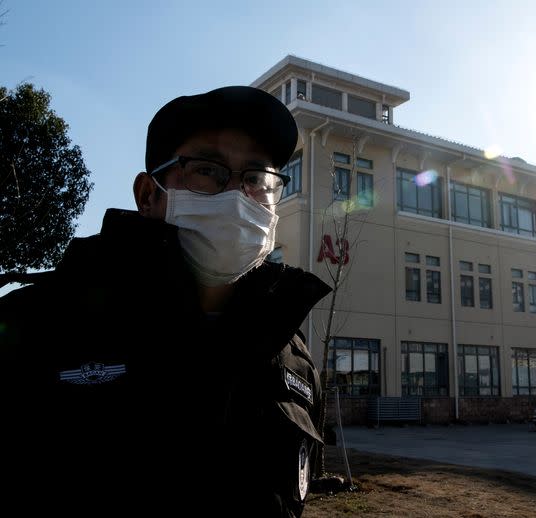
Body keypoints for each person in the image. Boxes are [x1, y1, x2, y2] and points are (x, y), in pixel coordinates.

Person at [0, 86, 331, 515]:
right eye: (208, 170)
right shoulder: (37, 325)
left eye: (256, 178)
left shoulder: (295, 362)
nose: (237, 195)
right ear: (148, 195)